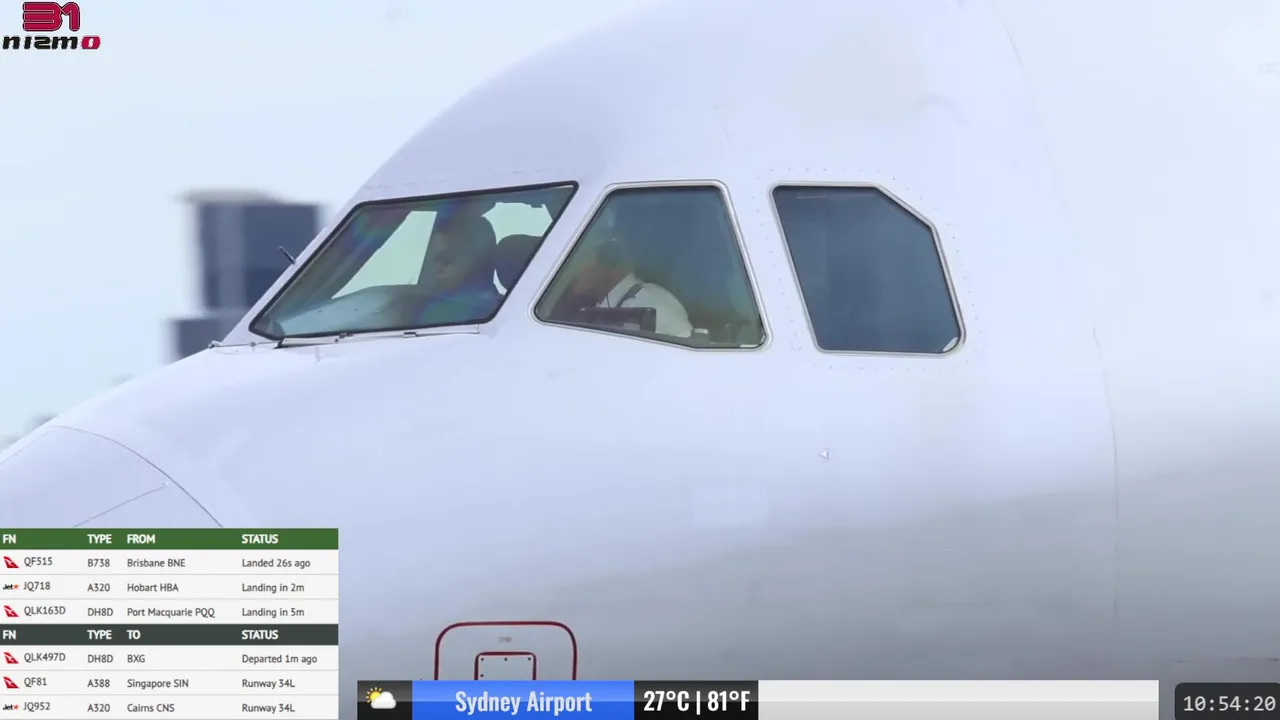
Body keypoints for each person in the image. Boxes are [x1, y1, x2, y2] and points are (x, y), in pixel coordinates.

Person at [556, 227, 693, 339]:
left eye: (574, 255)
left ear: (608, 258)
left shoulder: (653, 305)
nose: (568, 266)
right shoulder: (595, 305)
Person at [410, 211, 501, 325]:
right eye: (434, 260)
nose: (437, 268)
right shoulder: (428, 305)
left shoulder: (488, 315)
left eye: (446, 259)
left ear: (478, 260)